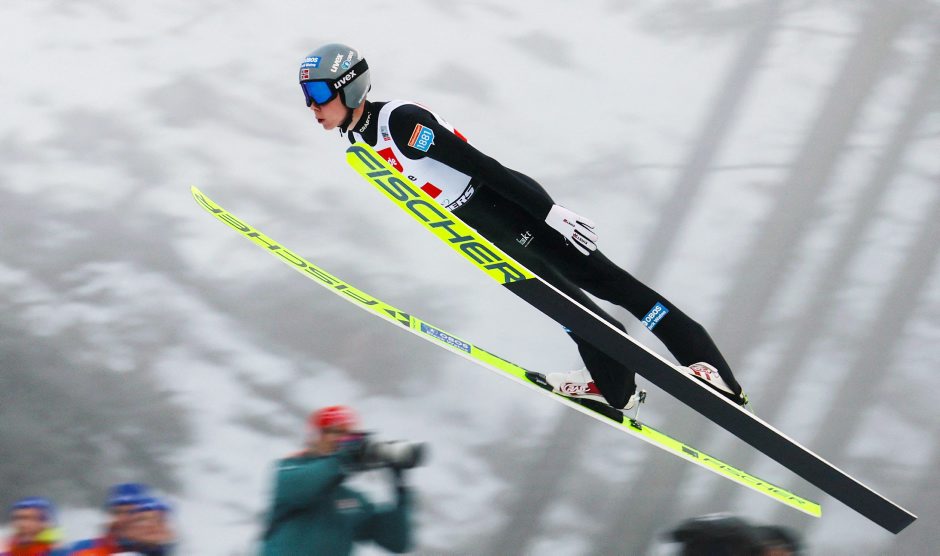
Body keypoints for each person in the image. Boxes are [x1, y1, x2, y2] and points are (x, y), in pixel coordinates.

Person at [298, 43, 749, 411]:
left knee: (611, 285)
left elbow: (480, 165)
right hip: (480, 226)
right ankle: (615, 387)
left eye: (318, 93)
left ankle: (710, 369)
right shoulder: (358, 141)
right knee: (568, 311)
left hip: (507, 206)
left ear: (349, 87)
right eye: (306, 96)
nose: (312, 106)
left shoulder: (398, 121)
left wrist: (549, 212)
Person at [260, 405, 415, 555]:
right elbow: (303, 486)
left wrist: (400, 485)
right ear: (316, 436)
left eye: (350, 435)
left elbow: (397, 542)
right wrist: (342, 459)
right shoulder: (288, 470)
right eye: (336, 432)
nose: (343, 440)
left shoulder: (351, 500)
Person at [68, 483, 151, 555]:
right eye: (118, 512)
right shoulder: (83, 550)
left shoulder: (155, 550)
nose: (124, 518)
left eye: (132, 512)